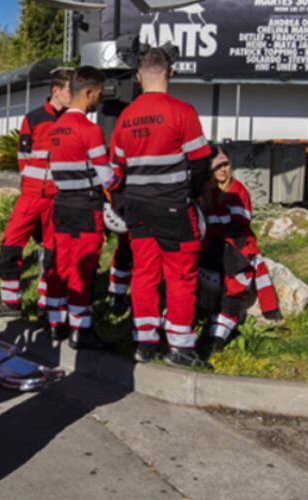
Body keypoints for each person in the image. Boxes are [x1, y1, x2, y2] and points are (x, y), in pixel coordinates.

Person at [110, 47, 213, 368]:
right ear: (171, 73)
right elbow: (200, 163)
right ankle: (180, 347)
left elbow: (117, 171)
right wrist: (193, 195)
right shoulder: (182, 112)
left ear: (139, 77)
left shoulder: (125, 118)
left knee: (144, 274)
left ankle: (145, 343)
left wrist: (124, 203)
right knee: (181, 275)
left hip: (138, 209)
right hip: (173, 208)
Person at [0, 68, 73, 320]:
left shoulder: (73, 120)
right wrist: (31, 186)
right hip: (31, 196)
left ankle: (48, 304)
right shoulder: (32, 118)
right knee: (9, 245)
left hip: (58, 199)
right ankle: (10, 302)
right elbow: (23, 159)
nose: (73, 96)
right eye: (69, 90)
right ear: (56, 91)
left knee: (53, 252)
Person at [44, 66, 116, 350]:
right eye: (98, 93)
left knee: (59, 266)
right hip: (86, 205)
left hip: (61, 204)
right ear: (87, 92)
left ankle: (54, 324)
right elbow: (106, 176)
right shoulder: (90, 129)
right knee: (83, 267)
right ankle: (81, 329)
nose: (99, 99)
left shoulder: (55, 128)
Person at [200, 147, 280, 353]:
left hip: (235, 246)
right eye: (218, 166)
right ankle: (204, 326)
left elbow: (240, 223)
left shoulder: (238, 189)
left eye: (225, 164)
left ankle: (218, 338)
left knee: (233, 286)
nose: (223, 169)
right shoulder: (204, 190)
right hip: (210, 247)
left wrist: (218, 227)